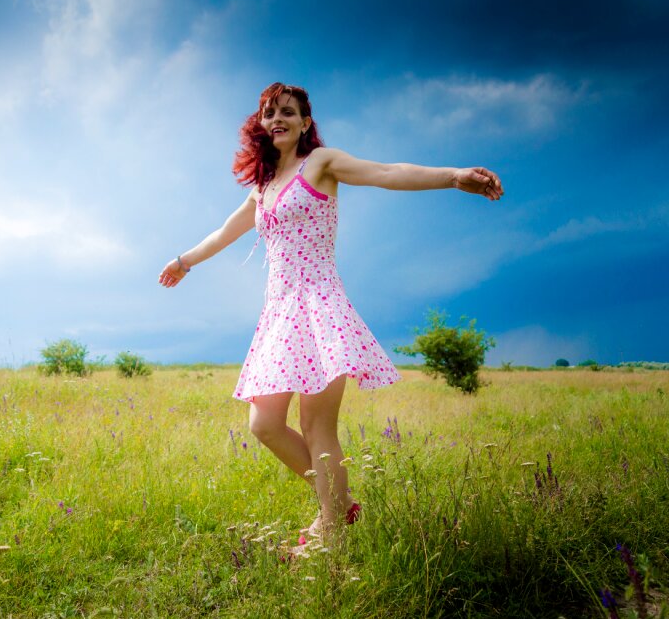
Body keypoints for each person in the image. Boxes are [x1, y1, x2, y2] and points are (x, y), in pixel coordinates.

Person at [158, 83, 503, 548]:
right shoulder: (262, 188)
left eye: (287, 112)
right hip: (279, 314)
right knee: (263, 425)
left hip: (319, 307)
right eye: (269, 113)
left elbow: (385, 171)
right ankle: (338, 507)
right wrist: (183, 262)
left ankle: (333, 535)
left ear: (305, 122)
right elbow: (224, 232)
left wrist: (454, 176)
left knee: (318, 427)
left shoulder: (319, 163)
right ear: (261, 124)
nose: (277, 119)